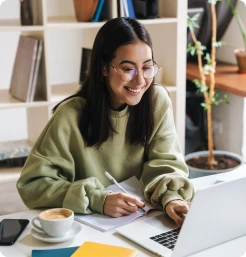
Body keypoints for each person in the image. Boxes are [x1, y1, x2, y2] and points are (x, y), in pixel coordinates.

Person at [17, 17, 194, 226]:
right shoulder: (70, 115)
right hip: (88, 227)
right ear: (104, 68)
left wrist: (172, 197)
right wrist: (98, 199)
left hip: (144, 222)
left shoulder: (158, 101)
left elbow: (166, 164)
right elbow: (33, 185)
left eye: (147, 67)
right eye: (128, 69)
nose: (140, 81)